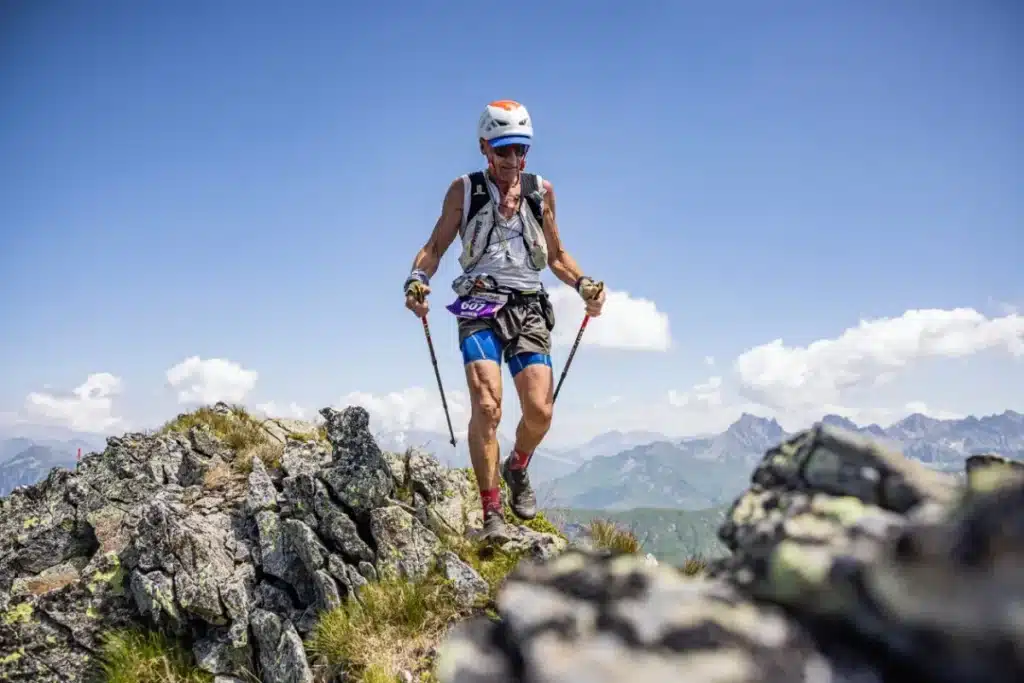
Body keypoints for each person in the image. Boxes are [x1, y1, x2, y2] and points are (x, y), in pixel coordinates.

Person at [403, 100, 606, 539]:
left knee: (540, 411)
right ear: (484, 148)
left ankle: (517, 466)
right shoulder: (464, 190)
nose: (513, 160)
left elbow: (554, 255)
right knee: (488, 405)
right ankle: (492, 509)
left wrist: (584, 283)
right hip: (477, 304)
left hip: (528, 305)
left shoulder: (540, 191)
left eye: (521, 150)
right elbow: (434, 248)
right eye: (504, 150)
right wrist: (417, 280)